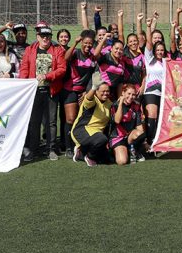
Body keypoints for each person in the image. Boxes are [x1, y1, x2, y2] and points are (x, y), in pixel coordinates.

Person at [19, 23, 66, 162]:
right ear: (38, 37)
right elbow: (24, 68)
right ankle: (33, 150)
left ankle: (50, 149)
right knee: (34, 121)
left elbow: (62, 69)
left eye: (48, 36)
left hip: (51, 91)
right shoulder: (30, 49)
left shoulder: (57, 50)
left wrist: (47, 76)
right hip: (34, 92)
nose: (46, 38)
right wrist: (24, 83)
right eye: (43, 36)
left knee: (51, 122)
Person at [62, 29, 98, 158]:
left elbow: (96, 76)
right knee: (71, 119)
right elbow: (65, 58)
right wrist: (75, 43)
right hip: (70, 89)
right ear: (81, 41)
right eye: (85, 43)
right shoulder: (75, 53)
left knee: (81, 120)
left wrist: (87, 92)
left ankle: (81, 146)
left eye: (90, 43)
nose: (88, 46)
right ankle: (68, 147)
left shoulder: (93, 58)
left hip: (84, 93)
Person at [70, 83, 113, 167]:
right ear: (96, 91)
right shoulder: (93, 100)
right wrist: (93, 87)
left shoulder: (109, 103)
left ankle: (81, 152)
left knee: (106, 159)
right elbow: (88, 98)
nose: (105, 93)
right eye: (103, 91)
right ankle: (89, 157)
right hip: (81, 130)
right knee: (102, 139)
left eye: (107, 91)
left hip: (96, 134)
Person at [109, 83, 146, 165]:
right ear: (123, 93)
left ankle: (134, 150)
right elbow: (117, 120)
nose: (131, 97)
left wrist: (141, 141)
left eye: (133, 95)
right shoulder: (115, 105)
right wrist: (121, 102)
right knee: (122, 161)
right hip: (117, 138)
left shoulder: (136, 106)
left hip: (129, 137)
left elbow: (140, 128)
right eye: (128, 94)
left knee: (140, 133)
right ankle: (113, 152)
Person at [144, 40, 169, 147]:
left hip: (164, 94)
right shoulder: (150, 60)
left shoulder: (167, 62)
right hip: (150, 92)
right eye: (157, 50)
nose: (160, 52)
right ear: (154, 51)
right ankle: (149, 142)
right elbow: (148, 44)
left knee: (160, 119)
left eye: (162, 50)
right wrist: (149, 26)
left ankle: (157, 142)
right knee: (152, 116)